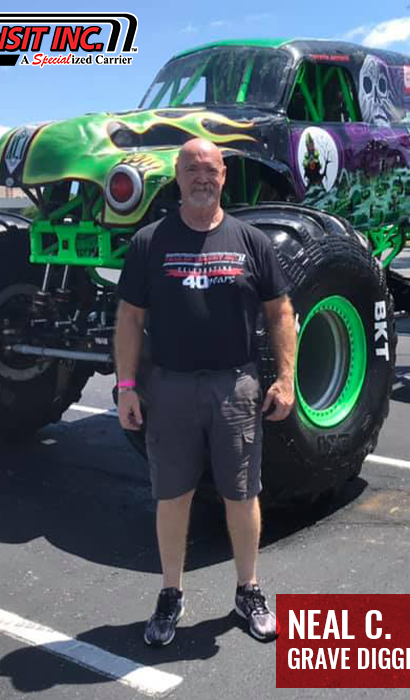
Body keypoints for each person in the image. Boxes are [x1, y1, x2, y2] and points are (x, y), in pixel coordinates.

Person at [114, 138, 296, 646]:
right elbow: (129, 317)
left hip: (234, 388)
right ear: (176, 176)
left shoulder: (251, 241)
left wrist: (285, 378)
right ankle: (171, 594)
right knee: (173, 497)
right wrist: (127, 385)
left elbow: (281, 312)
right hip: (168, 388)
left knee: (242, 494)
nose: (201, 177)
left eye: (210, 169)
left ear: (223, 178)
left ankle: (248, 589)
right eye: (191, 168)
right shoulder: (150, 242)